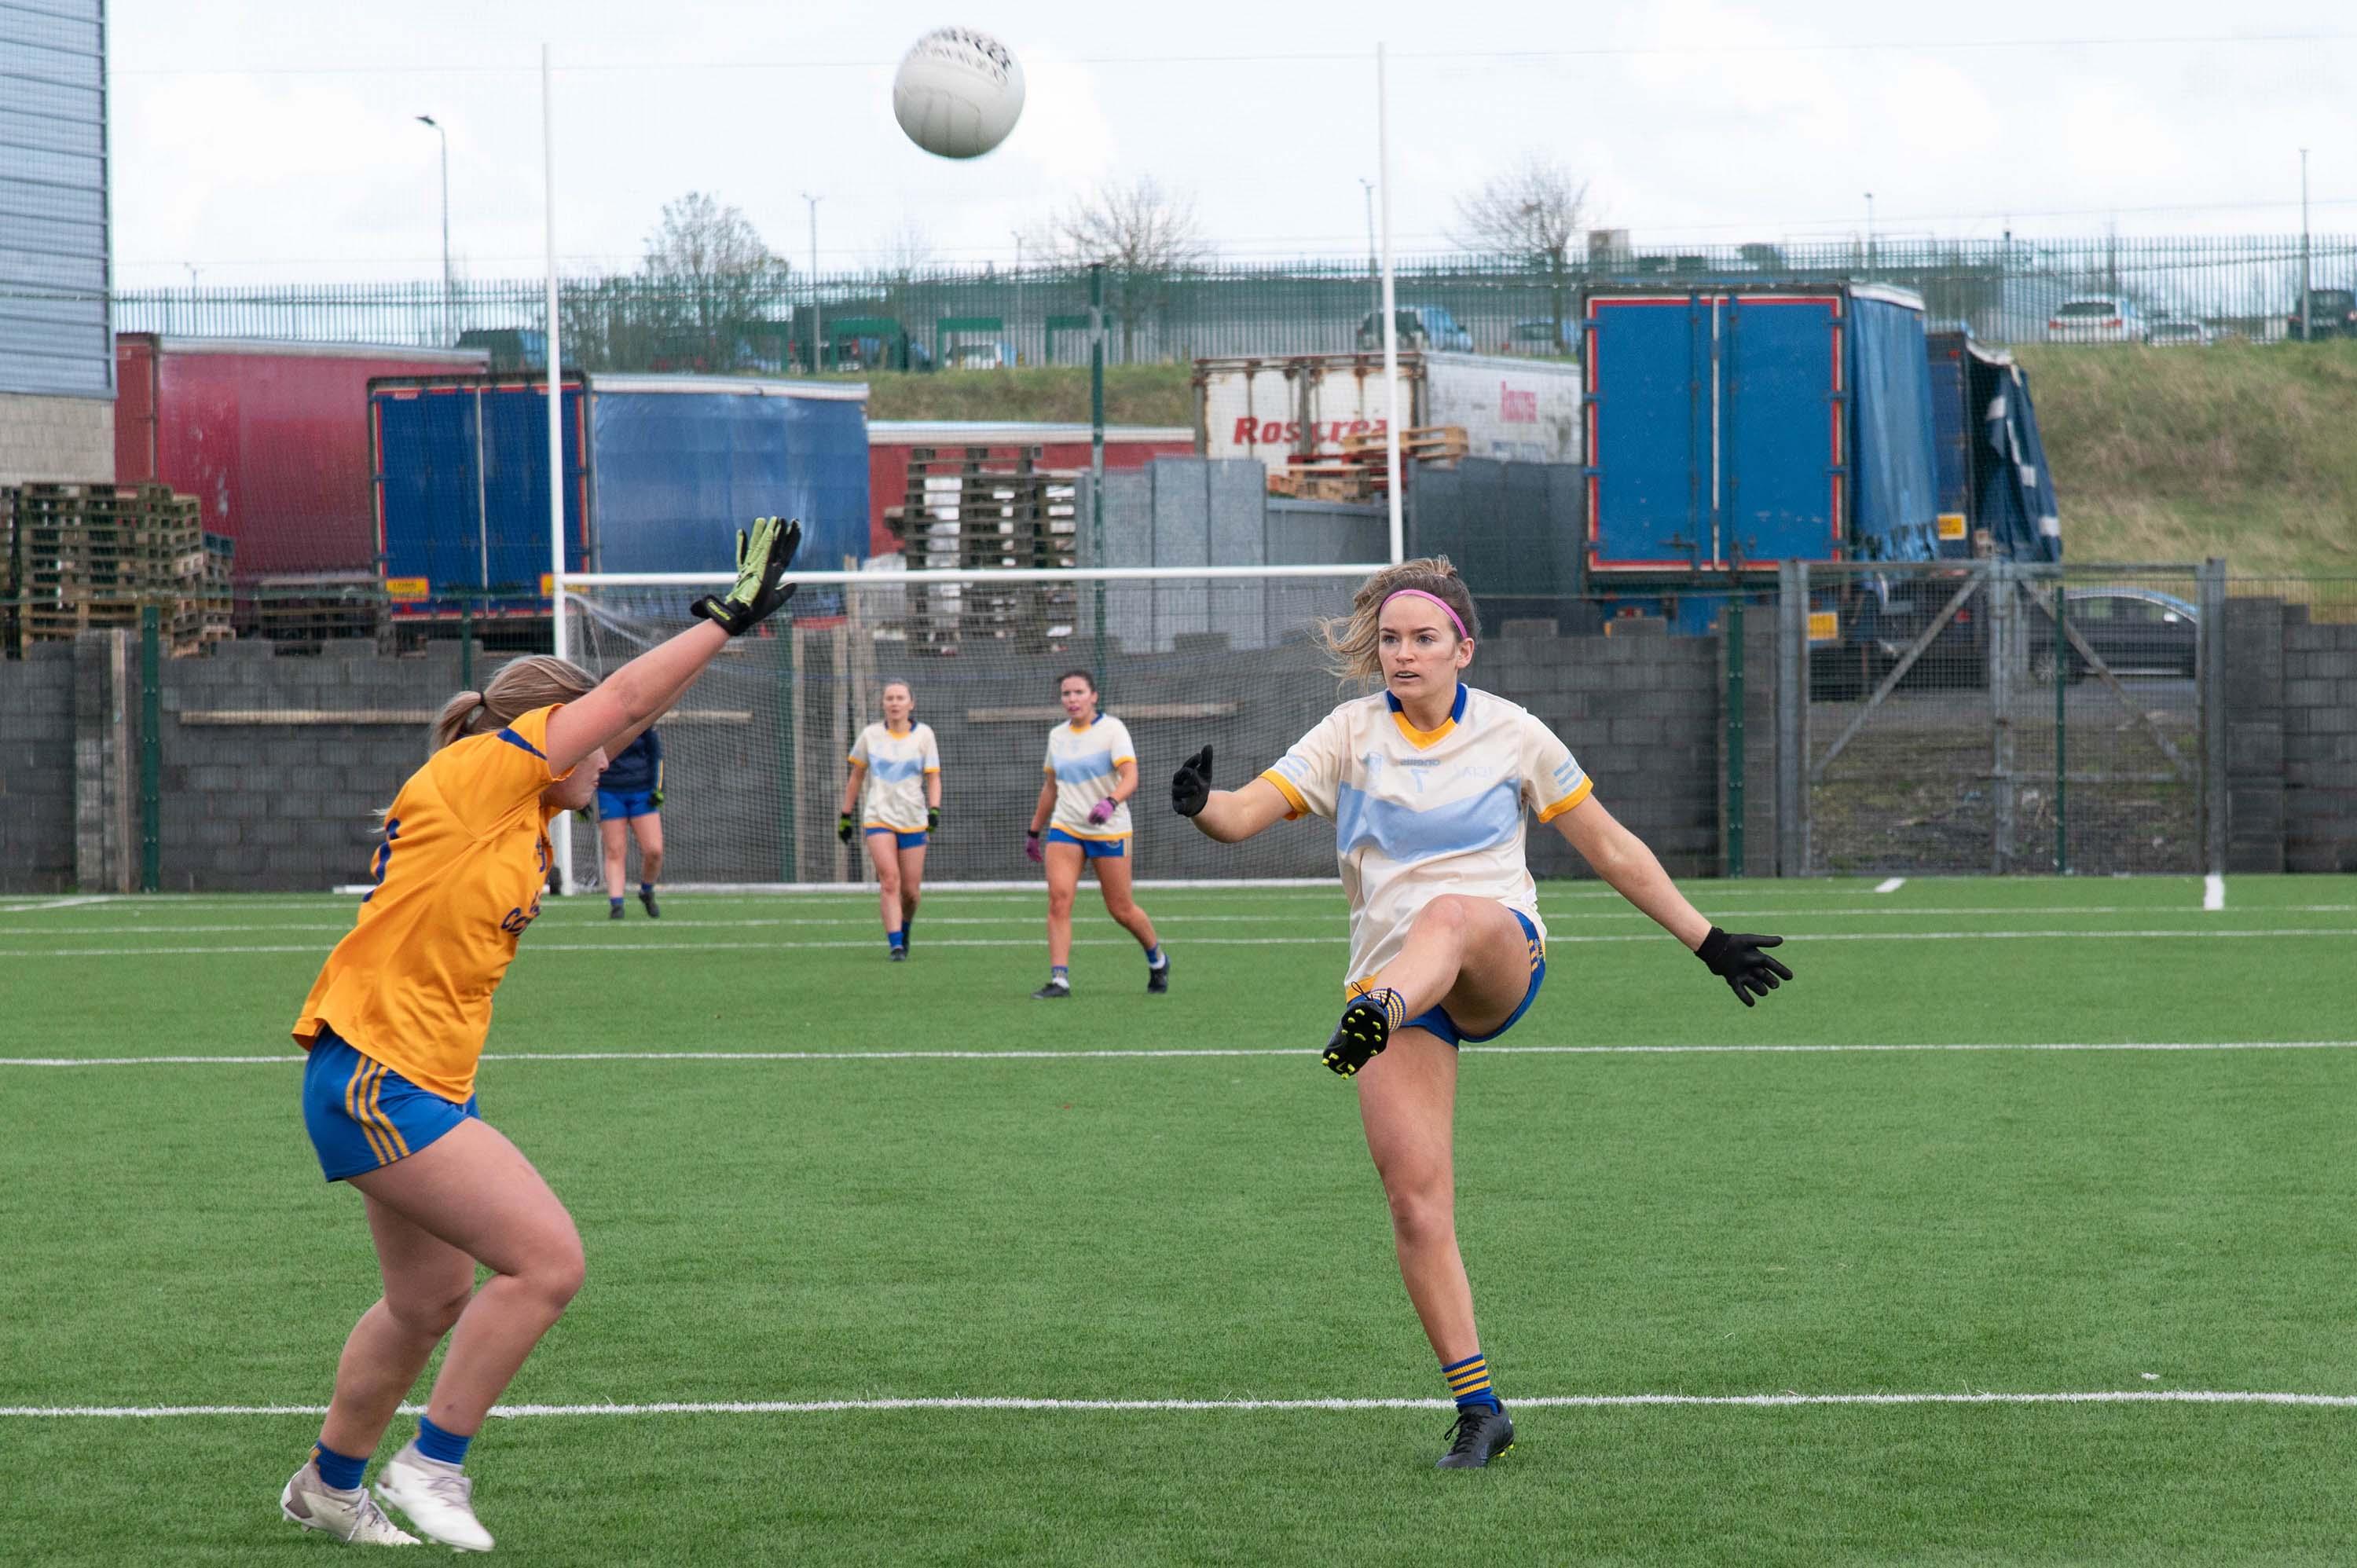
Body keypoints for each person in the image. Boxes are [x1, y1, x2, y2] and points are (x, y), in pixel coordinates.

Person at [1169, 557, 1791, 1470]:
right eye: (1390, 639)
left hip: (1496, 956)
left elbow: (1611, 847)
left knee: (1450, 914)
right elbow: (1244, 814)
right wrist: (1199, 805)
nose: (1403, 653)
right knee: (1417, 1207)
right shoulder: (1350, 732)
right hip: (1395, 994)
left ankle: (1379, 1005)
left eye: (1424, 638)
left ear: (1464, 647)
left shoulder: (1514, 735)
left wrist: (1708, 941)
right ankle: (1480, 1407)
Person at [277, 518, 802, 1550]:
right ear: (546, 732)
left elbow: (627, 711)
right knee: (548, 1263)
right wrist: (725, 618)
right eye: (591, 740)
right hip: (382, 1076)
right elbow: (628, 696)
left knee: (429, 1299)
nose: (608, 756)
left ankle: (328, 1486)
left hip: (404, 1074)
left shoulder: (509, 812)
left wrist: (716, 642)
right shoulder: (485, 777)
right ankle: (434, 1465)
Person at [1024, 669, 1169, 999]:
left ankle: (1157, 959)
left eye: (1078, 693)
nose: (1072, 700)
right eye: (1066, 694)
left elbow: (1130, 776)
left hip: (1110, 829)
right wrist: (1034, 831)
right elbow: (1051, 788)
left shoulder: (1112, 730)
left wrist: (1110, 801)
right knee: (1059, 900)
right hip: (1066, 828)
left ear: (1093, 696)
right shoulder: (1057, 736)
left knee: (1121, 909)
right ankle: (1059, 979)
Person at [838, 679, 941, 961]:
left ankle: (905, 928)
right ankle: (895, 944)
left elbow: (933, 777)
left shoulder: (924, 736)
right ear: (883, 704)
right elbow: (857, 776)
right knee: (889, 881)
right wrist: (845, 816)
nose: (894, 703)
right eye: (889, 698)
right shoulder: (870, 735)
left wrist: (934, 811)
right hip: (878, 817)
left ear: (911, 704)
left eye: (900, 698)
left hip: (913, 819)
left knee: (910, 892)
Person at [597, 724, 665, 919]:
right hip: (609, 791)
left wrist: (657, 788)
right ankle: (616, 905)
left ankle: (646, 890)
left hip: (642, 791)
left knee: (654, 850)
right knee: (615, 850)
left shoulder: (641, 720)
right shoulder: (601, 723)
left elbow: (656, 755)